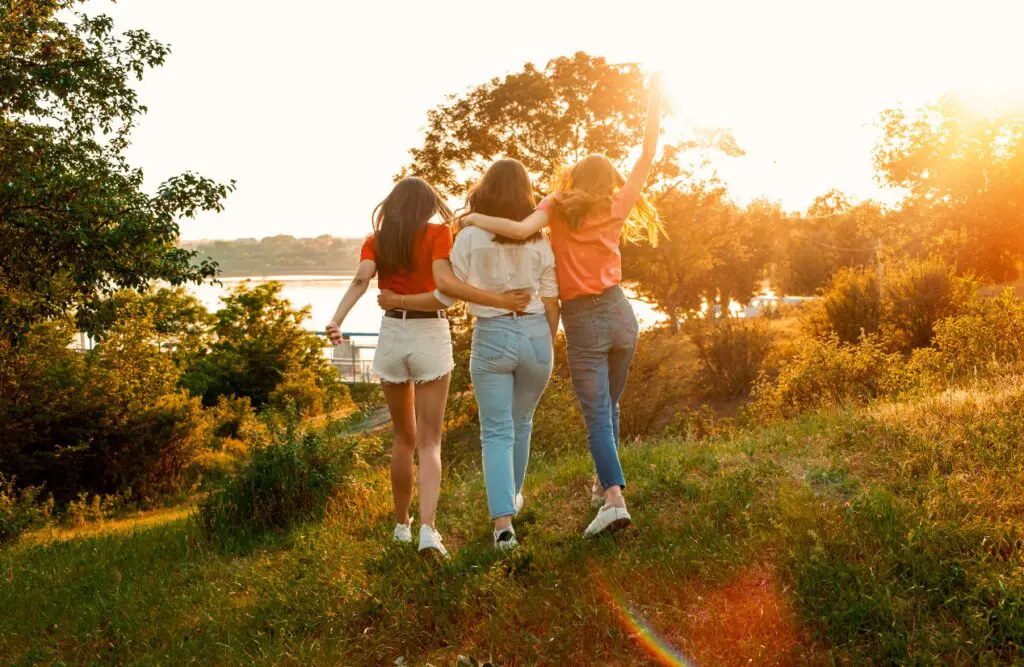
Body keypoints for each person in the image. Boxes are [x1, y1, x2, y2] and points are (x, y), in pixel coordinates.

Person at [461, 73, 663, 538]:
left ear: (575, 177)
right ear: (608, 180)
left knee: (597, 414)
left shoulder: (557, 205)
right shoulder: (617, 204)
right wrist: (654, 101)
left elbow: (519, 230)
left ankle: (613, 500)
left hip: (584, 319)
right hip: (622, 314)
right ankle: (601, 485)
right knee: (609, 405)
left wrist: (474, 218)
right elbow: (648, 152)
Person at [326, 177, 529, 558]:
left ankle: (400, 526)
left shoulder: (377, 240)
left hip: (391, 335)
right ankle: (427, 529)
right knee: (430, 441)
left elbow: (361, 279)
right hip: (429, 335)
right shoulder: (438, 234)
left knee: (403, 438)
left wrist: (337, 319)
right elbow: (443, 290)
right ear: (427, 206)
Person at [427, 159, 559, 552]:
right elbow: (552, 301)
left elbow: (449, 290)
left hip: (492, 335)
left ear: (485, 190)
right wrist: (547, 343)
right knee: (522, 422)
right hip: (536, 333)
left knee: (496, 431)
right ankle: (513, 497)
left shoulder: (469, 236)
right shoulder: (540, 239)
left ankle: (503, 527)